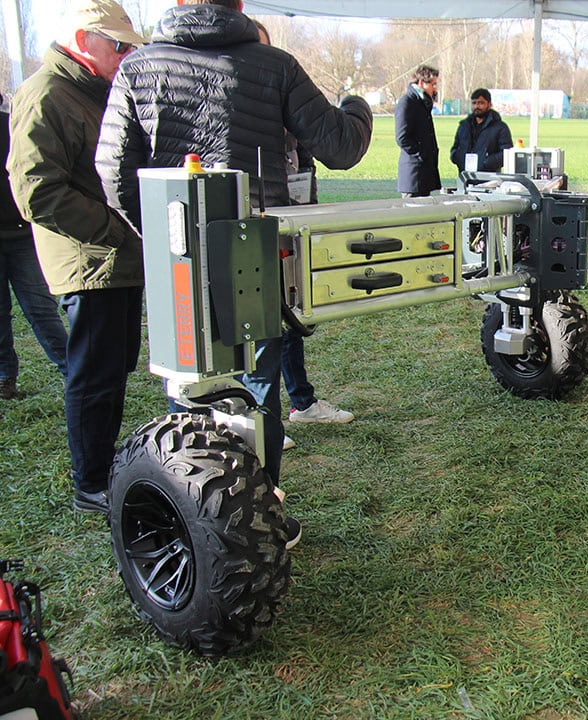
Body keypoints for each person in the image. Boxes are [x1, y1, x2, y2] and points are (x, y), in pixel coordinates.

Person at [96, 0, 373, 546]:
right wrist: (356, 103)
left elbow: (111, 172)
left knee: (188, 382)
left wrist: (160, 236)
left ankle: (188, 509)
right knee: (259, 382)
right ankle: (261, 510)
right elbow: (341, 145)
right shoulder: (274, 65)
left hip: (179, 254)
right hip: (256, 252)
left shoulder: (138, 67)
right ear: (240, 5)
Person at [7, 0, 145, 514]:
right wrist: (119, 230)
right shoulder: (46, 93)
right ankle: (91, 482)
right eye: (118, 44)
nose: (126, 53)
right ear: (84, 40)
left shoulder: (93, 92)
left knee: (112, 368)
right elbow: (37, 192)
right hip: (90, 263)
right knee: (93, 374)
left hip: (116, 257)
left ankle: (101, 466)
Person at [251, 20, 355, 452]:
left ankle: (302, 402)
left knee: (292, 316)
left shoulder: (283, 92)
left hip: (291, 226)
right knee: (261, 330)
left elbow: (313, 153)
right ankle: (261, 423)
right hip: (253, 231)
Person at [0, 92, 69, 400]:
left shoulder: (13, 127)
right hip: (18, 232)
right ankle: (5, 378)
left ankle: (73, 371)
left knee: (41, 309)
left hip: (21, 234)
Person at [395, 65, 441, 198]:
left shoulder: (422, 102)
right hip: (413, 175)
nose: (435, 89)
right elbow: (402, 137)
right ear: (422, 83)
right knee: (410, 215)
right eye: (433, 84)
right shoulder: (407, 102)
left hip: (424, 173)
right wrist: (420, 154)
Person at [450, 88, 513, 175]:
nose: (477, 106)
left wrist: (486, 162)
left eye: (481, 103)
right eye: (474, 103)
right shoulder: (464, 126)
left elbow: (506, 153)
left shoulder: (500, 127)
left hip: (489, 180)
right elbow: (455, 147)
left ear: (489, 104)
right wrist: (457, 158)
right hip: (465, 178)